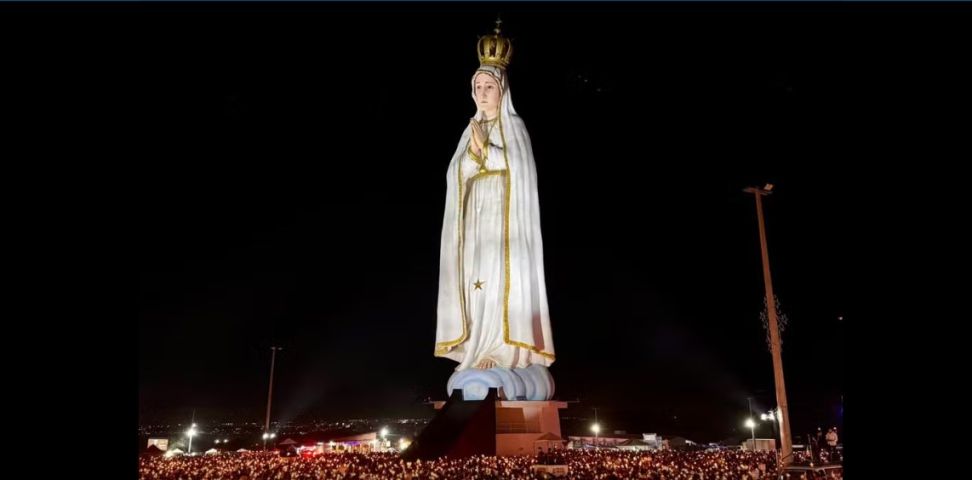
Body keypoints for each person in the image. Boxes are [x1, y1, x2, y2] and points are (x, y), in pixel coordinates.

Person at [435, 20, 555, 372]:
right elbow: (454, 174)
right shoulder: (469, 129)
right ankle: (476, 345)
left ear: (502, 89)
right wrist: (472, 156)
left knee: (500, 281)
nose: (484, 92)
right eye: (478, 86)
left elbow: (521, 171)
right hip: (476, 222)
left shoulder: (514, 127)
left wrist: (486, 152)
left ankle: (503, 350)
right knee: (476, 283)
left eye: (490, 86)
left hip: (505, 225)